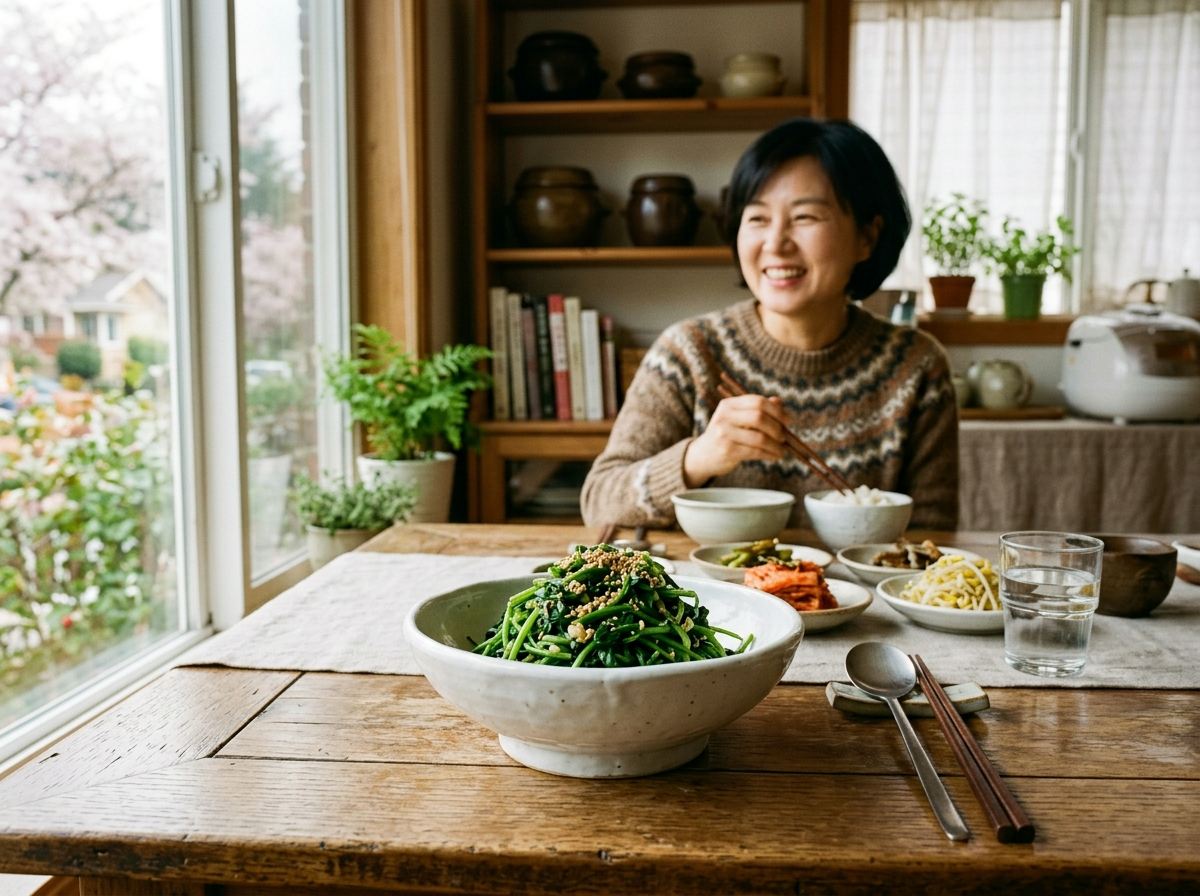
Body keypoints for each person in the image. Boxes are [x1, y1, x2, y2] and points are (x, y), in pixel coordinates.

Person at [580, 118, 958, 530]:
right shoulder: (689, 353)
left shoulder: (916, 366)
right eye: (757, 218)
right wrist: (698, 457)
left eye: (805, 217)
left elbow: (933, 535)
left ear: (867, 237)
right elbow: (599, 500)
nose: (775, 243)